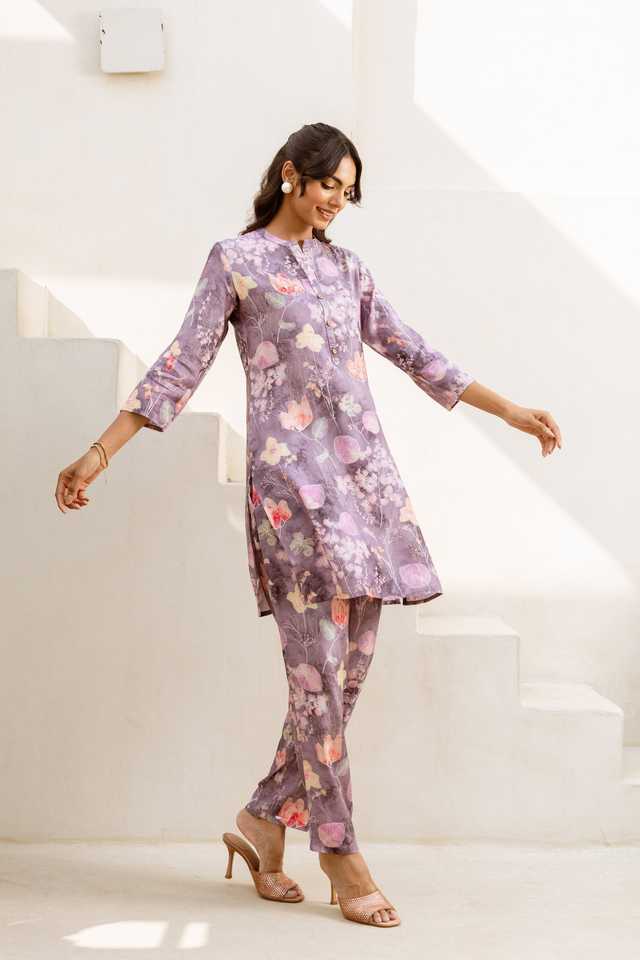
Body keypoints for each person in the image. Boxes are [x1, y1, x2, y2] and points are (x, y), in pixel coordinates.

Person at [54, 122, 562, 928]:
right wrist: (98, 453)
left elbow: (414, 352)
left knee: (344, 677)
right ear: (292, 173)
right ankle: (339, 850)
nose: (336, 202)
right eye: (329, 184)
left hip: (367, 488)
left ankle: (263, 819)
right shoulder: (236, 260)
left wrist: (511, 411)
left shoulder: (347, 269)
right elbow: (182, 362)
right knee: (316, 678)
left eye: (348, 193)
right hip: (291, 495)